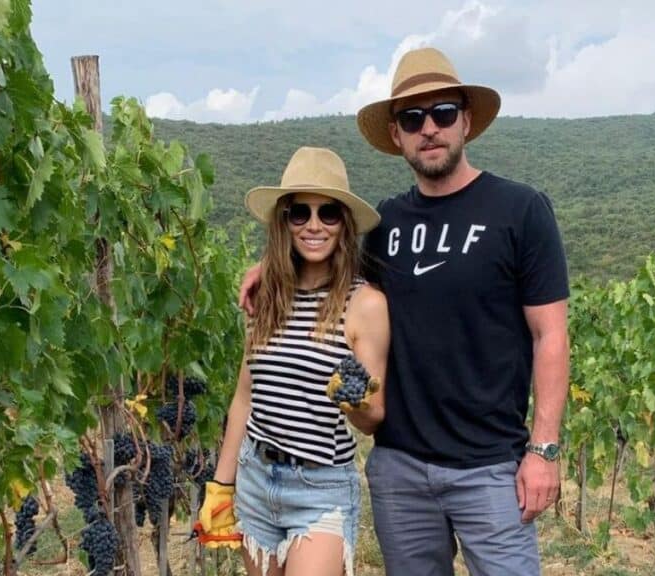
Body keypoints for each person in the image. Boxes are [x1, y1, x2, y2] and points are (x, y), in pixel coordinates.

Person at [240, 47, 570, 576]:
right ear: (396, 135)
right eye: (413, 118)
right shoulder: (386, 223)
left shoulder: (520, 210)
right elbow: (322, 255)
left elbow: (549, 335)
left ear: (465, 120)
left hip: (490, 468)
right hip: (399, 469)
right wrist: (269, 265)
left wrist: (544, 450)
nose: (429, 129)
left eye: (442, 113)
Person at [199, 146, 390, 576]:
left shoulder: (366, 305)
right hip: (255, 477)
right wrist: (222, 484)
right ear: (283, 221)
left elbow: (373, 418)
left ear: (345, 224)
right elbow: (244, 398)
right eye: (300, 213)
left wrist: (354, 398)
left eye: (329, 214)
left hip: (319, 488)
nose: (314, 225)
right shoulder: (266, 296)